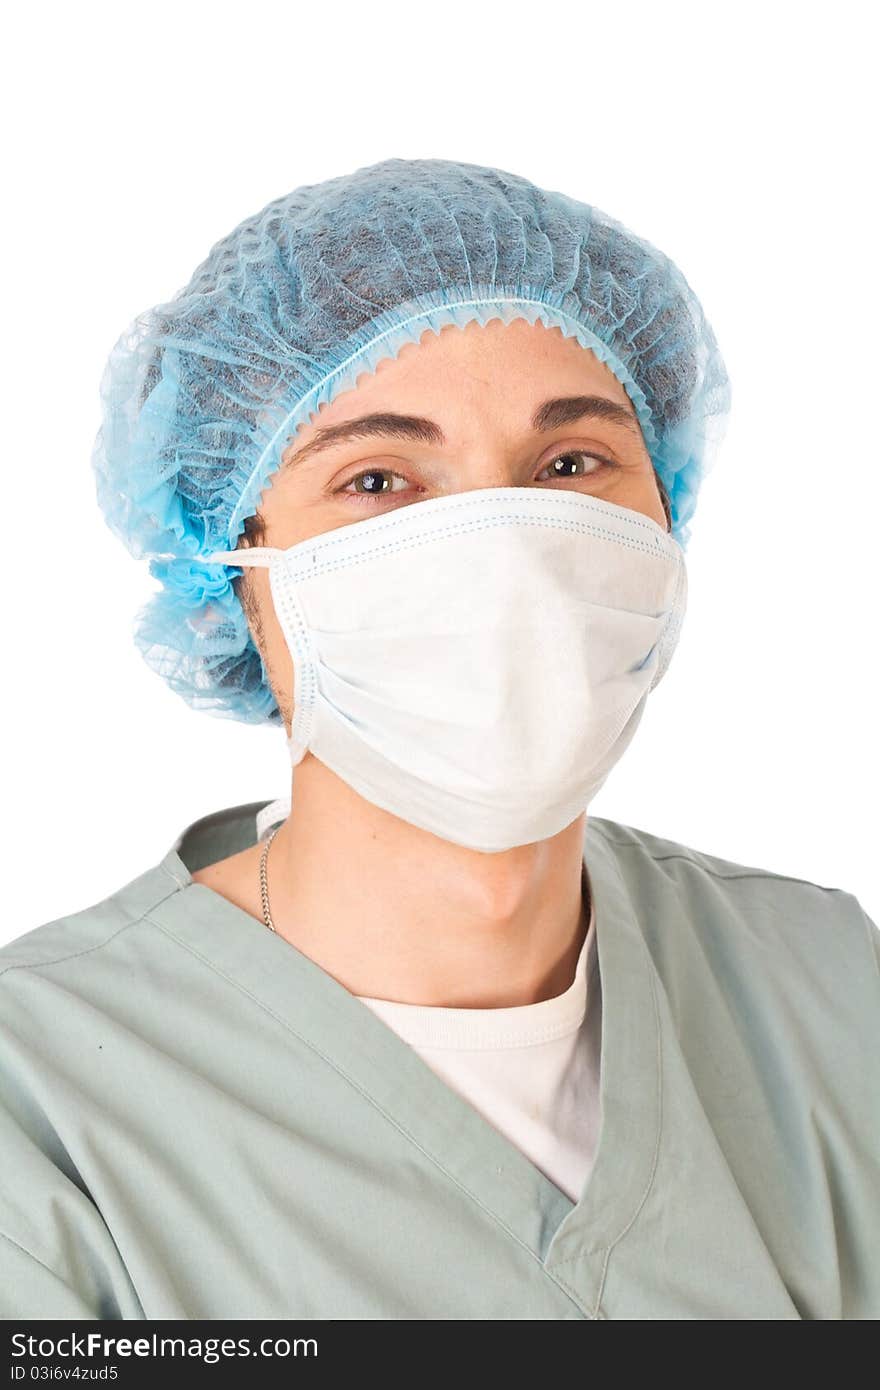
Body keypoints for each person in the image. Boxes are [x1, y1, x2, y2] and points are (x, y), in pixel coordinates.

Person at [1, 157, 877, 1323]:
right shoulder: (43, 1108)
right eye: (378, 479)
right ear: (234, 577)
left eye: (570, 465)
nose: (502, 554)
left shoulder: (827, 980)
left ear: (664, 511)